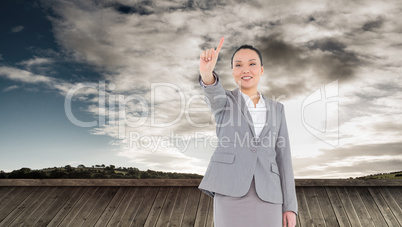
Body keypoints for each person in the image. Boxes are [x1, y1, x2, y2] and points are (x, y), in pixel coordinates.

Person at [197, 37, 297, 227]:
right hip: (229, 189)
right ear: (233, 71)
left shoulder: (277, 109)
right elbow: (212, 91)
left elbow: (284, 157)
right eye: (238, 64)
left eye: (252, 64)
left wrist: (290, 206)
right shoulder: (225, 101)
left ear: (261, 70)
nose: (245, 69)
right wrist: (206, 72)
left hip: (270, 193)